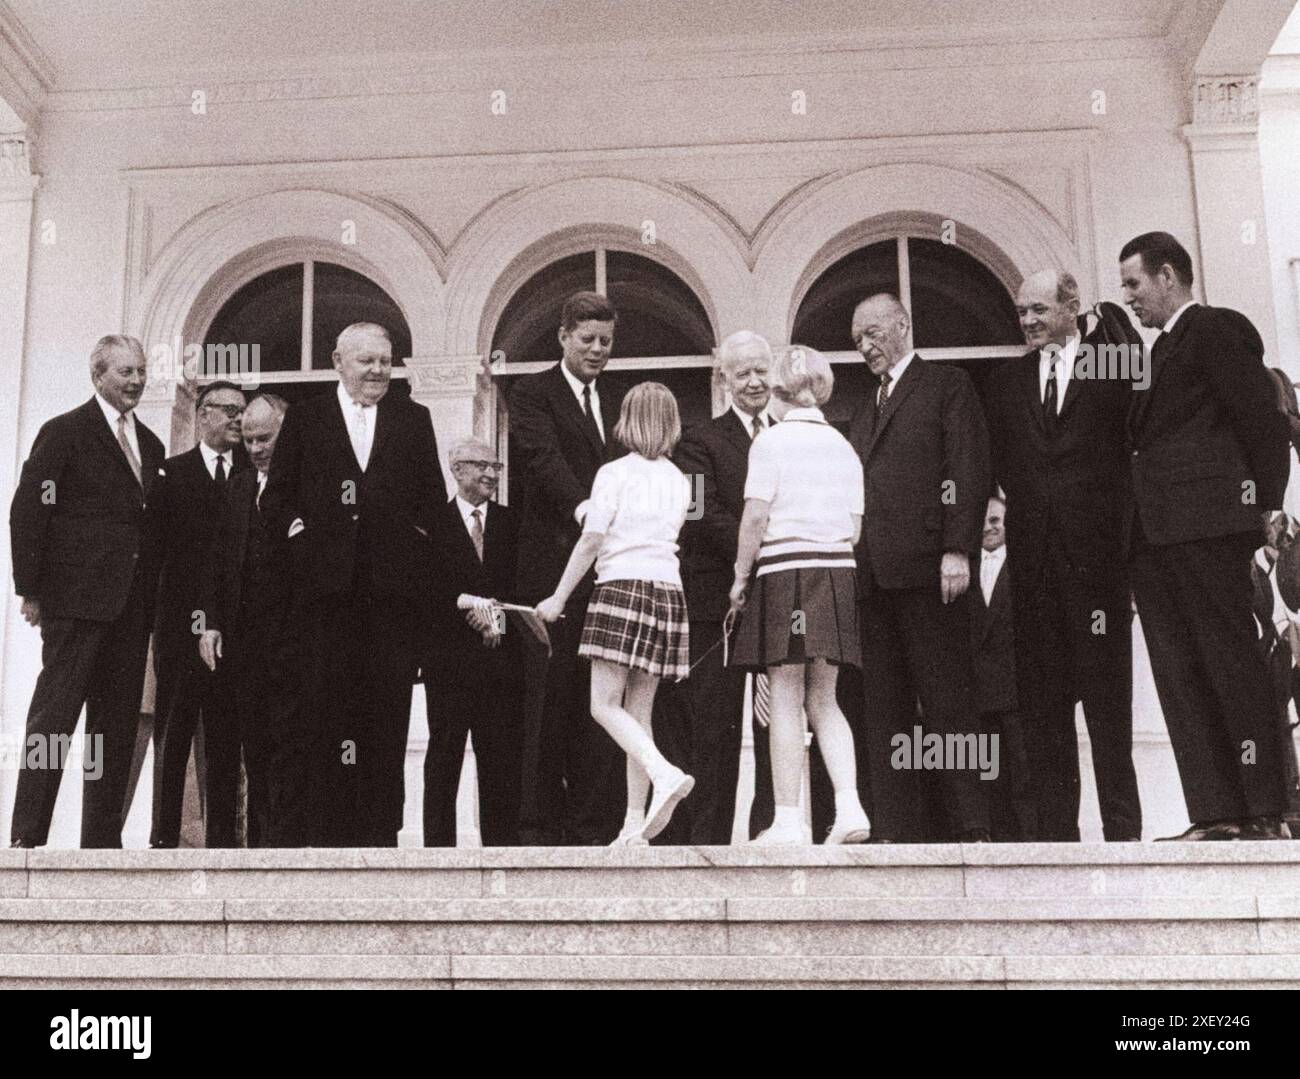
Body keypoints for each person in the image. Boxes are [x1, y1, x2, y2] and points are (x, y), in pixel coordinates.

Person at [1121, 231, 1291, 840]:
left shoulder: (1216, 329)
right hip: (1158, 537)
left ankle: (1264, 810)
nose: (1129, 297)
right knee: (1181, 672)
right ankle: (1217, 813)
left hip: (1209, 529)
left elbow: (1261, 422)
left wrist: (1266, 508)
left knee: (1231, 665)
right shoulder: (1159, 351)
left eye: (1135, 283)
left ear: (1169, 277)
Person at [260, 322, 446, 847]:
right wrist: (302, 550)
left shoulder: (414, 419)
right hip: (323, 602)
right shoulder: (307, 418)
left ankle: (378, 836)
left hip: (391, 603)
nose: (378, 370)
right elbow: (277, 503)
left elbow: (431, 505)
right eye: (366, 360)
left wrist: (418, 566)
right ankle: (316, 835)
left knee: (385, 720)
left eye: (385, 360)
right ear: (338, 362)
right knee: (321, 715)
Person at [984, 269, 1141, 841]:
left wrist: (1108, 324)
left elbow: (1140, 400)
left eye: (1039, 310)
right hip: (1035, 574)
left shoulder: (1108, 363)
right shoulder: (1008, 381)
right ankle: (1058, 839)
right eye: (1022, 311)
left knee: (1108, 712)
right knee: (1046, 716)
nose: (1027, 321)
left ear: (1071, 307)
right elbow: (999, 465)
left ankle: (1123, 834)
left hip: (1098, 569)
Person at [9, 335, 165, 848]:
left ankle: (101, 841)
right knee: (53, 722)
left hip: (130, 610)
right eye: (125, 372)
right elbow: (29, 509)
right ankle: (27, 837)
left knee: (114, 728)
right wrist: (31, 588)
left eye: (140, 371)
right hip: (74, 606)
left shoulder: (153, 445)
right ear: (98, 376)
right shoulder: (65, 433)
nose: (136, 381)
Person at [847, 294, 991, 843]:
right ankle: (896, 828)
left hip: (933, 573)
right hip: (873, 580)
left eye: (874, 332)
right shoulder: (865, 407)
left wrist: (958, 549)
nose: (865, 346)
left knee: (950, 700)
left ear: (904, 325)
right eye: (858, 339)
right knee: (884, 709)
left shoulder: (947, 385)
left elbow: (967, 467)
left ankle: (972, 822)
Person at [536, 382, 695, 845]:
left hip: (621, 588)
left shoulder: (612, 473)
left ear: (626, 420)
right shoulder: (680, 481)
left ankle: (663, 772)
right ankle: (633, 824)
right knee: (637, 713)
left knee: (603, 706)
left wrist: (558, 598)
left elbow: (592, 538)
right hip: (668, 592)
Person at [728, 345, 873, 846]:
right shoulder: (844, 445)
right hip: (837, 574)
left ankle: (789, 819)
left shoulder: (769, 444)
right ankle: (850, 806)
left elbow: (754, 517)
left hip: (785, 574)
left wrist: (740, 577)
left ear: (777, 392)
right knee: (826, 699)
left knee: (786, 697)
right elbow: (854, 528)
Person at [510, 291, 627, 845]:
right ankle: (537, 826)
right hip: (553, 571)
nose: (597, 350)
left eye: (605, 341)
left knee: (598, 695)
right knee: (547, 697)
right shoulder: (531, 392)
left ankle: (593, 822)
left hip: (608, 573)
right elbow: (542, 457)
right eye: (587, 341)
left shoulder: (620, 398)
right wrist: (586, 511)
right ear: (563, 337)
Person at [149, 380, 249, 848]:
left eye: (241, 411)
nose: (237, 419)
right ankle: (165, 836)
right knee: (174, 735)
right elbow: (154, 555)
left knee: (228, 739)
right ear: (202, 415)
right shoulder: (171, 473)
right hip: (178, 628)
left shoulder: (252, 475)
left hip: (234, 630)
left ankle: (224, 841)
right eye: (227, 410)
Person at [196, 394, 292, 847]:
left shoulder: (304, 484)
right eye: (249, 439)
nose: (255, 448)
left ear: (284, 432)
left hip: (292, 643)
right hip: (242, 642)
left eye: (265, 438)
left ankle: (281, 848)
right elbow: (216, 562)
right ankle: (251, 847)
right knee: (251, 744)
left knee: (286, 749)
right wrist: (210, 624)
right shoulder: (235, 487)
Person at [421, 439, 524, 847]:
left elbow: (519, 586)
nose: (490, 474)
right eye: (480, 465)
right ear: (456, 469)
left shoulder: (511, 521)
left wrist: (494, 621)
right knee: (444, 755)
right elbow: (424, 588)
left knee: (499, 758)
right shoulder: (431, 522)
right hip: (448, 662)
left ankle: (501, 849)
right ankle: (438, 851)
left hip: (499, 660)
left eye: (495, 466)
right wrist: (467, 610)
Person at [969, 496, 1034, 841]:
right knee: (987, 776)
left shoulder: (1025, 567)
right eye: (981, 521)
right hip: (979, 696)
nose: (989, 527)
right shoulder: (963, 568)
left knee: (1024, 778)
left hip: (1017, 692)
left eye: (995, 520)